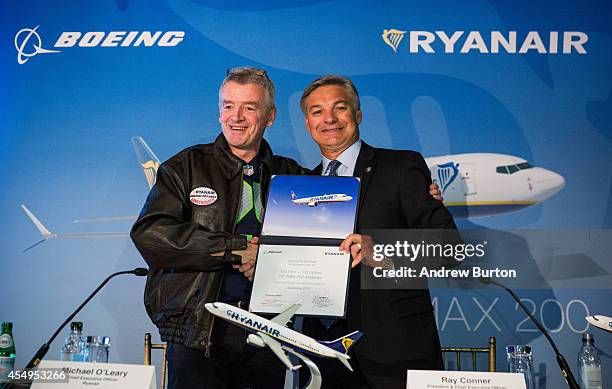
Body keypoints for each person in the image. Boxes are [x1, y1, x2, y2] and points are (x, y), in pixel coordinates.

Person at [130, 67, 306, 389]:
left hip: (270, 334)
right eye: (228, 106)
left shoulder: (293, 175)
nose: (235, 117)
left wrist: (426, 195)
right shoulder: (185, 167)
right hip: (198, 332)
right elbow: (150, 234)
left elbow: (329, 231)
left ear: (270, 116)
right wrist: (237, 248)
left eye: (249, 107)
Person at [299, 75, 457, 389]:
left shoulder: (400, 166)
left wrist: (380, 250)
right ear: (308, 124)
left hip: (396, 347)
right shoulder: (302, 186)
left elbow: (447, 247)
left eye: (339, 108)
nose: (329, 118)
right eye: (317, 112)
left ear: (357, 115)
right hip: (322, 350)